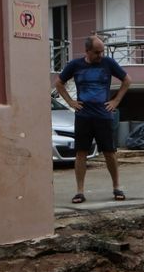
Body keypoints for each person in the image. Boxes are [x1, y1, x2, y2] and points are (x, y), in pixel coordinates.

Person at [55, 36, 131, 204]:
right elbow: (59, 83)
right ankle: (79, 191)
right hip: (83, 117)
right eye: (97, 52)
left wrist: (115, 101)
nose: (100, 55)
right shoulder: (75, 65)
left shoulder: (108, 63)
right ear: (87, 51)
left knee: (109, 153)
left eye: (102, 51)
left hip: (103, 116)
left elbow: (127, 80)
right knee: (81, 153)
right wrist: (70, 102)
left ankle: (117, 187)